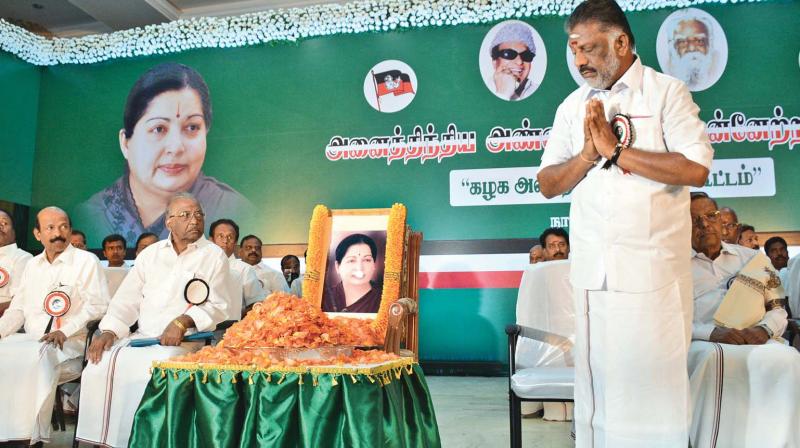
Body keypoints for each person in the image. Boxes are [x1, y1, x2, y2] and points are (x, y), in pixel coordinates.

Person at [536, 1, 713, 445]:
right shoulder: (572, 106)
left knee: (653, 394)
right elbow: (547, 183)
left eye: (589, 49)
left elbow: (695, 168)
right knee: (598, 395)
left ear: (621, 42)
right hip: (593, 278)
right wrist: (587, 155)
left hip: (652, 276)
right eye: (573, 49)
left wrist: (617, 152)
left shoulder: (666, 92)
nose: (579, 61)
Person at [75, 193, 231, 448]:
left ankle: (142, 440)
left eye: (199, 214)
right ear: (169, 221)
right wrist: (109, 332)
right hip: (143, 336)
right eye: (186, 215)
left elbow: (218, 306)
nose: (195, 220)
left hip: (185, 342)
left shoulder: (213, 255)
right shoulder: (151, 255)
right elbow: (127, 300)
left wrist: (183, 321)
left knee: (152, 369)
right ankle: (106, 441)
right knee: (97, 366)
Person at [75, 62, 251, 245]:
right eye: (159, 129)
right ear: (125, 143)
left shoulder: (236, 210)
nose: (176, 147)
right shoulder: (90, 216)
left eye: (192, 127)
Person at [688, 193, 800, 447]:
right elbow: (670, 318)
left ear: (722, 221)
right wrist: (712, 333)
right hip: (704, 341)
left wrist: (764, 329)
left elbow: (778, 308)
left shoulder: (751, 259)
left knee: (789, 357)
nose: (705, 225)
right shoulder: (674, 264)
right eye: (695, 220)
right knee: (713, 359)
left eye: (710, 217)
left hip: (755, 337)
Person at [0, 207, 109, 444]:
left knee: (38, 357)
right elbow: (18, 308)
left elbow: (98, 306)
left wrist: (64, 330)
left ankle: (28, 435)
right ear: (37, 234)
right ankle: (4, 430)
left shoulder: (86, 261)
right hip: (31, 340)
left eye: (63, 227)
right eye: (50, 228)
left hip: (71, 343)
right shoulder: (33, 265)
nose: (58, 233)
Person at [210, 218, 265, 317]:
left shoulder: (245, 269)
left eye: (230, 237)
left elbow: (256, 304)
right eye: (220, 236)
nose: (225, 241)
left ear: (235, 242)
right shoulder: (203, 266)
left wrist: (235, 317)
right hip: (202, 329)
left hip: (233, 327)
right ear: (212, 240)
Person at [322, 233, 382, 313]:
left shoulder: (384, 299)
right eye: (351, 261)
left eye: (367, 260)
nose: (359, 268)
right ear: (337, 266)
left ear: (374, 265)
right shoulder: (325, 299)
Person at [664, 12, 719, 91]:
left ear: (709, 43)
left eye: (699, 41)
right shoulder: (662, 77)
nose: (692, 48)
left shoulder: (717, 66)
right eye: (682, 42)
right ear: (672, 46)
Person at [490, 22, 538, 101]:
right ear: (495, 62)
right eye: (509, 54)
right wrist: (503, 93)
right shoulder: (477, 91)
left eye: (526, 55)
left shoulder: (540, 92)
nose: (519, 61)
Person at [0, 210, 33, 317]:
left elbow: (19, 301)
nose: (0, 226)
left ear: (14, 233)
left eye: (4, 223)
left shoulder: (23, 258)